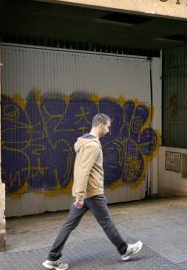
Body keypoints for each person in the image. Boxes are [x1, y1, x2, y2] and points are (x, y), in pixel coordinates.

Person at [42, 113, 143, 270]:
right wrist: (81, 196)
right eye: (108, 127)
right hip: (92, 193)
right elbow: (84, 171)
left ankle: (52, 258)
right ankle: (124, 250)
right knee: (106, 222)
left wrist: (80, 195)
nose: (109, 131)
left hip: (84, 193)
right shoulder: (93, 145)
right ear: (101, 125)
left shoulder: (84, 142)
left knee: (69, 224)